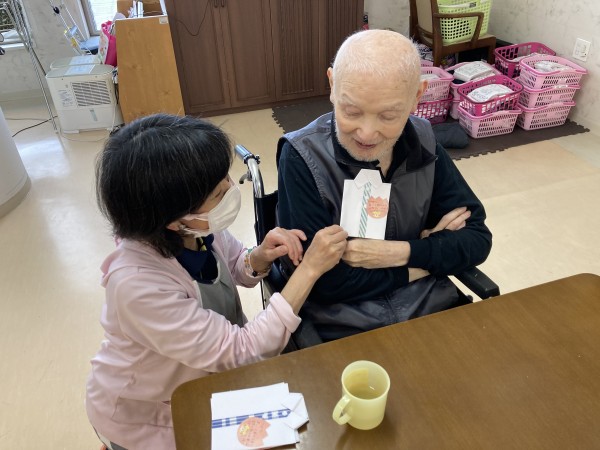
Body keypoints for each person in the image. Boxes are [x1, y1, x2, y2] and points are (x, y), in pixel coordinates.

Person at [86, 113, 348, 449]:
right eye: (217, 193)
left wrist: (260, 256)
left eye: (225, 179)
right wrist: (310, 269)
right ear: (173, 219)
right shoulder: (137, 287)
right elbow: (243, 350)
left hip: (204, 378)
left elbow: (235, 266)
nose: (230, 191)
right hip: (146, 413)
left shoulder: (196, 229)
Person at [277, 30, 492, 342]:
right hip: (342, 327)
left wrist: (393, 253)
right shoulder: (301, 156)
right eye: (351, 111)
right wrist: (426, 258)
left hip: (431, 309)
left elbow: (477, 240)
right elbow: (324, 282)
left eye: (388, 116)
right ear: (332, 85)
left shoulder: (424, 142)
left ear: (417, 96)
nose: (367, 133)